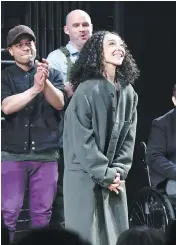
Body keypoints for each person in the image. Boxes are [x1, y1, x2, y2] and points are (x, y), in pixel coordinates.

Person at [63, 30, 140, 245]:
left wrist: (118, 172)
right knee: (87, 235)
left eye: (121, 44)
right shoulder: (86, 91)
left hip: (114, 178)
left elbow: (129, 138)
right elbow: (82, 141)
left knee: (115, 234)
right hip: (84, 175)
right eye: (112, 44)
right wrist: (105, 173)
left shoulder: (129, 92)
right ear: (98, 51)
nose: (119, 48)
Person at [1, 25, 67, 242]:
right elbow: (7, 106)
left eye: (28, 43)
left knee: (42, 215)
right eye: (19, 45)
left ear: (35, 45)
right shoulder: (5, 77)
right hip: (12, 156)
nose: (25, 48)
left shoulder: (52, 73)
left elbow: (59, 103)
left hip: (46, 156)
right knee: (8, 213)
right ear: (10, 51)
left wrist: (44, 80)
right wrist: (34, 90)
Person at [46, 9, 93, 226]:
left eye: (86, 24)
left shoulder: (101, 55)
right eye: (76, 25)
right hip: (68, 132)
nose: (82, 29)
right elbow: (53, 98)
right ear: (66, 30)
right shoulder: (57, 58)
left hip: (96, 131)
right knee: (66, 187)